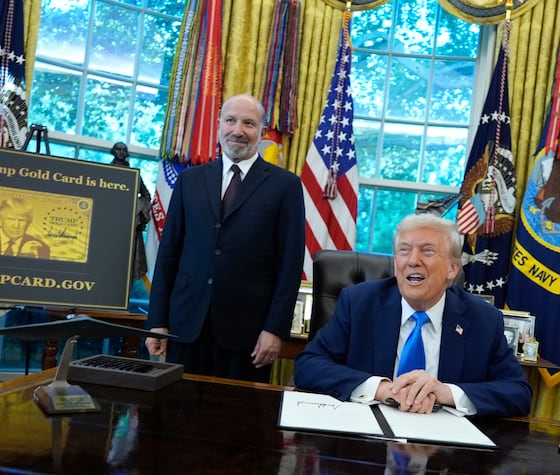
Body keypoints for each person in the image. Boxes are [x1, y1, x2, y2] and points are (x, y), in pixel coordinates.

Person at [294, 214, 532, 417]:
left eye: (427, 251)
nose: (413, 260)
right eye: (404, 251)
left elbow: (518, 392)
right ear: (396, 262)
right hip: (365, 443)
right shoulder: (358, 303)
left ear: (452, 269)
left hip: (444, 453)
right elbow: (308, 366)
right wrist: (382, 389)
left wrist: (445, 393)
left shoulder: (483, 319)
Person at [145, 93, 305, 383]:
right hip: (186, 326)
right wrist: (157, 321)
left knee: (237, 423)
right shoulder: (189, 181)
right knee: (175, 419)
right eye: (230, 121)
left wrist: (275, 329)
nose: (238, 130)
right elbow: (169, 254)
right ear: (219, 125)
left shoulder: (286, 186)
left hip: (249, 334)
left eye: (248, 123)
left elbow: (290, 265)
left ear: (261, 131)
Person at [109, 141, 152, 283]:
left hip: (129, 226)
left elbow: (146, 195)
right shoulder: (106, 172)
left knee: (128, 267)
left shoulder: (134, 175)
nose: (121, 152)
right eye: (118, 149)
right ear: (113, 151)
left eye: (124, 149)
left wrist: (138, 210)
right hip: (109, 222)